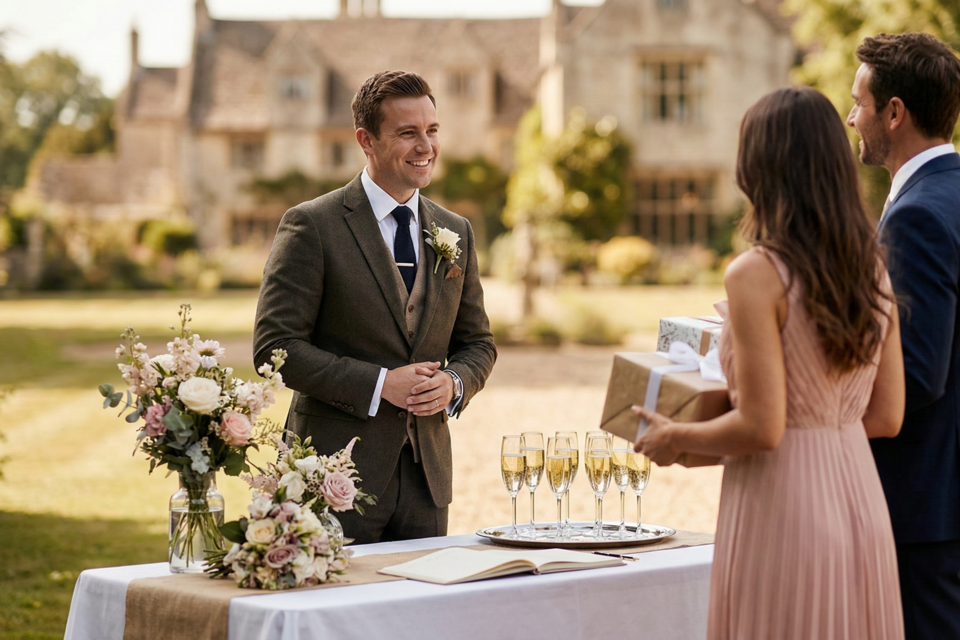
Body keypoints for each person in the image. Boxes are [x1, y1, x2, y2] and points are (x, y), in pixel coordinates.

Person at [634, 87, 905, 639]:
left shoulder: (756, 273)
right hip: (862, 505)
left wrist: (675, 437)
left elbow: (763, 426)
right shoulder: (873, 267)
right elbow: (886, 418)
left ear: (757, 164)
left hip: (785, 512)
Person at [253, 70, 497, 544]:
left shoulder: (456, 230)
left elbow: (478, 343)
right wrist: (381, 384)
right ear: (366, 140)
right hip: (332, 475)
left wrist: (454, 382)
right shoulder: (312, 226)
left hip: (427, 481)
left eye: (432, 130)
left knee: (419, 612)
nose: (425, 145)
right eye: (408, 133)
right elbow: (275, 349)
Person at [847, 33, 960, 639]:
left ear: (895, 112)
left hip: (926, 505)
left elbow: (916, 375)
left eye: (859, 102)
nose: (850, 117)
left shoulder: (916, 214)